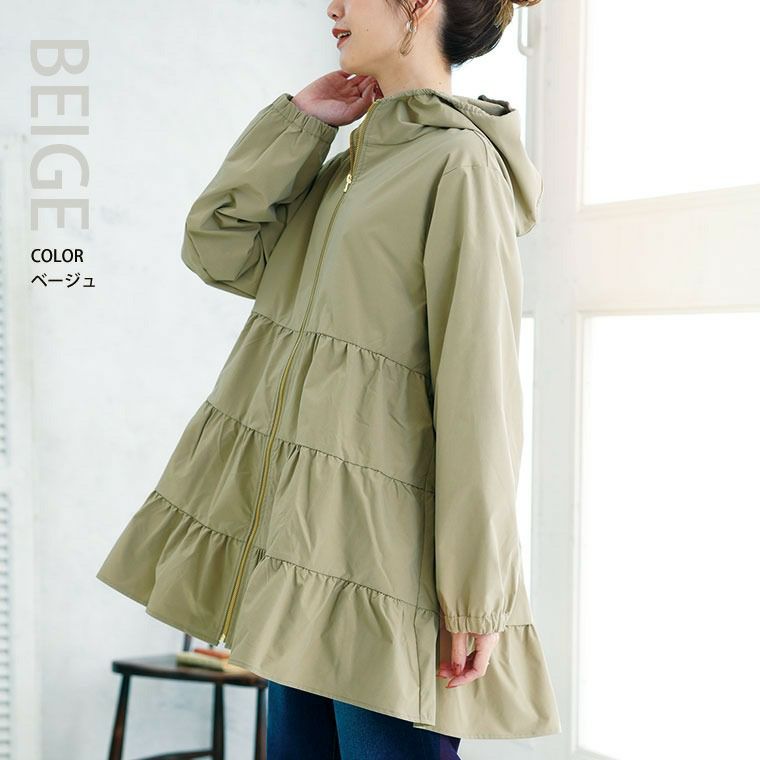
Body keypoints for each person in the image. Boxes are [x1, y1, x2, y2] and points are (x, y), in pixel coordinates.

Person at [96, 0, 561, 755]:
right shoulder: (349, 165)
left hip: (385, 574)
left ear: (418, 5)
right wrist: (301, 123)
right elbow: (217, 247)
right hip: (299, 561)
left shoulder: (459, 165)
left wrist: (478, 593)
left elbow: (480, 395)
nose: (333, 7)